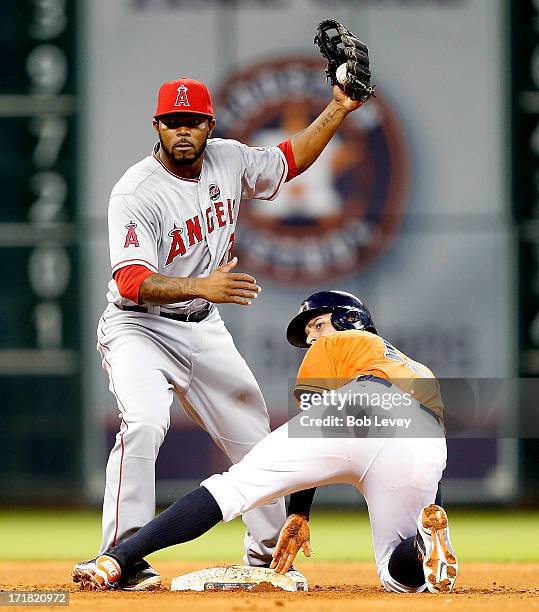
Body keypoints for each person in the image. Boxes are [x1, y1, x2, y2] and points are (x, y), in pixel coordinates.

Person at [73, 76, 367, 590]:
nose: (182, 132)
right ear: (157, 127)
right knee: (143, 421)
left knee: (255, 434)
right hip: (138, 327)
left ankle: (269, 553)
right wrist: (202, 286)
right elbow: (130, 280)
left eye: (192, 122)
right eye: (172, 122)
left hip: (202, 326)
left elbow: (288, 159)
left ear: (208, 125)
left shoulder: (228, 159)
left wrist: (339, 108)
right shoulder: (137, 190)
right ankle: (121, 556)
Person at [73, 291, 458, 594]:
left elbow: (318, 418)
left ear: (350, 321)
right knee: (400, 575)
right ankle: (424, 545)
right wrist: (429, 507)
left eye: (318, 325)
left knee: (232, 489)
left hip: (363, 403)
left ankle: (118, 559)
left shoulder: (338, 345)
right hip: (423, 439)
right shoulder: (419, 370)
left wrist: (300, 512)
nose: (312, 337)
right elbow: (433, 459)